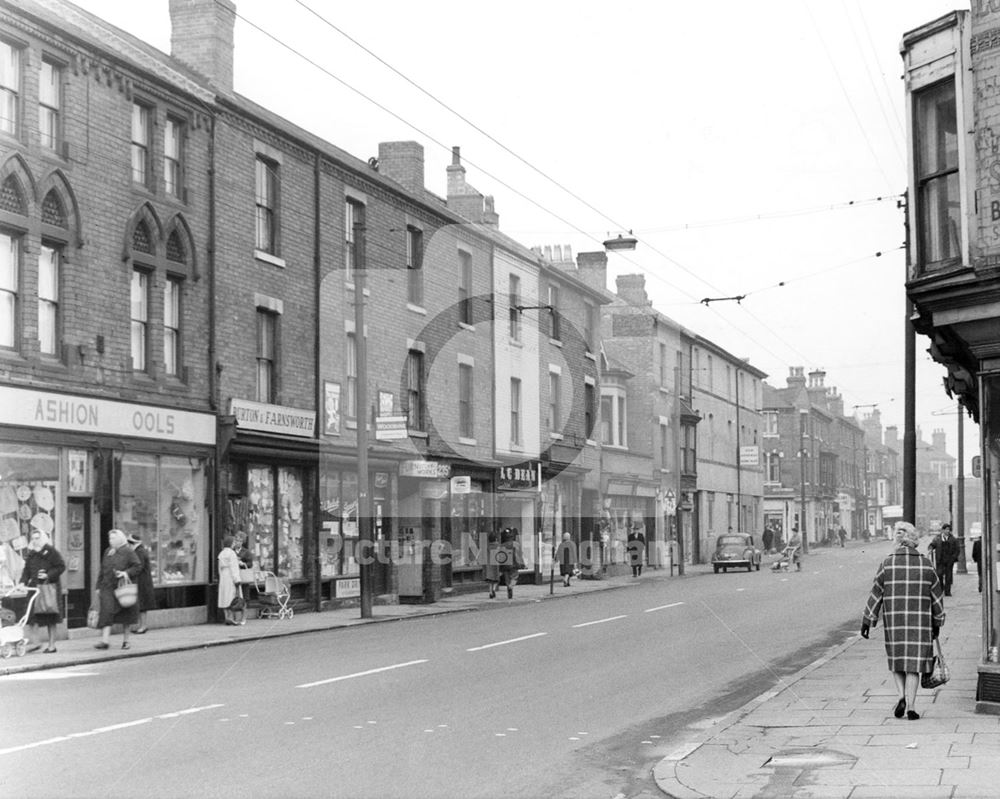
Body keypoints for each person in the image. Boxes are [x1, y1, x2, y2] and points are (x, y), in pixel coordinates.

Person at [861, 521, 945, 721]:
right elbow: (937, 597)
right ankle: (912, 706)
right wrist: (937, 622)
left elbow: (876, 593)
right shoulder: (925, 564)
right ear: (914, 539)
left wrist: (867, 620)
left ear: (897, 540)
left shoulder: (887, 563)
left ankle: (901, 697)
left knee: (897, 662)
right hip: (920, 623)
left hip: (895, 621)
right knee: (914, 665)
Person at [19, 527, 65, 653]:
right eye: (33, 538)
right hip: (34, 588)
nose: (35, 541)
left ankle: (52, 645)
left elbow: (61, 566)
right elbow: (26, 571)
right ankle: (36, 642)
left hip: (48, 588)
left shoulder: (51, 552)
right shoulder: (32, 554)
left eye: (37, 538)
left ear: (43, 538)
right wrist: (22, 582)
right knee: (30, 616)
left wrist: (48, 575)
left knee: (51, 617)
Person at [95, 528, 142, 650]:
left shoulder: (128, 551)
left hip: (122, 587)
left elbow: (137, 566)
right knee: (106, 611)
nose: (111, 540)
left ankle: (126, 640)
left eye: (113, 538)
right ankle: (105, 641)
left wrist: (126, 573)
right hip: (107, 586)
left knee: (126, 613)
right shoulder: (108, 551)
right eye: (110, 538)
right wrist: (98, 586)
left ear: (120, 538)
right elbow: (102, 569)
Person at [128, 533, 156, 634]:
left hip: (142, 582)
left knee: (142, 605)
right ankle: (142, 625)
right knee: (141, 605)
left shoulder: (139, 552)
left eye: (130, 543)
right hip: (142, 581)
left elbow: (138, 567)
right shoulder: (140, 550)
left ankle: (143, 626)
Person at [218, 535, 245, 625]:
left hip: (223, 577)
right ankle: (232, 618)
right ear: (231, 543)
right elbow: (234, 568)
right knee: (232, 597)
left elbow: (219, 569)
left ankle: (226, 616)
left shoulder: (221, 554)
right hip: (230, 577)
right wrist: (237, 580)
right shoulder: (232, 554)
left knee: (224, 597)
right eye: (233, 542)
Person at [927, 523, 960, 596]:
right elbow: (932, 544)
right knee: (939, 575)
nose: (947, 531)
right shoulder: (937, 538)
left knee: (948, 577)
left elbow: (957, 549)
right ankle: (941, 589)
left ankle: (947, 591)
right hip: (940, 560)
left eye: (949, 529)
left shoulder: (953, 539)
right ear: (942, 530)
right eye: (946, 529)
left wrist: (953, 558)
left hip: (949, 560)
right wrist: (930, 549)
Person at [498, 528, 523, 600]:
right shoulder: (516, 544)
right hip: (514, 564)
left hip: (505, 565)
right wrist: (521, 563)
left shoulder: (502, 545)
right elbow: (519, 554)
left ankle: (509, 590)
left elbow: (500, 556)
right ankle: (511, 586)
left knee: (507, 579)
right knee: (514, 577)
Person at [484, 531, 500, 599]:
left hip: (489, 564)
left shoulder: (488, 546)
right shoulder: (498, 545)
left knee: (490, 580)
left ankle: (490, 592)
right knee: (496, 579)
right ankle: (494, 589)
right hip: (496, 563)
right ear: (495, 538)